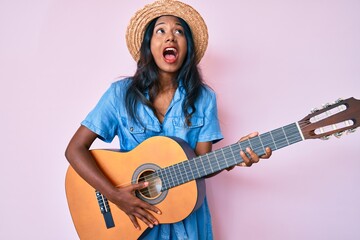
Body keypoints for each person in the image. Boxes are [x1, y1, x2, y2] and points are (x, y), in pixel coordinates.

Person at [65, 0, 272, 239]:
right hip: (134, 224)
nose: (170, 38)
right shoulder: (119, 94)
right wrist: (115, 195)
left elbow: (202, 165)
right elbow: (74, 150)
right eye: (160, 30)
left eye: (179, 32)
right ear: (149, 45)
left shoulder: (204, 98)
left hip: (187, 224)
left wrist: (236, 156)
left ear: (188, 47)